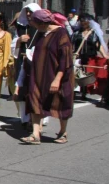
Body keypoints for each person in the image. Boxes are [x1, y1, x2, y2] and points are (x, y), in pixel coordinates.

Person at [20, 10, 74, 145]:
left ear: (42, 23)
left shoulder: (61, 33)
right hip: (38, 75)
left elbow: (65, 58)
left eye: (33, 21)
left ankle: (63, 132)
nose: (31, 24)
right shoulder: (40, 33)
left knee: (60, 102)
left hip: (56, 75)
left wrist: (57, 78)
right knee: (35, 99)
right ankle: (35, 134)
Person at [72, 13, 109, 101]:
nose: (83, 23)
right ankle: (76, 91)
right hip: (78, 57)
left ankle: (84, 92)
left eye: (85, 21)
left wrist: (105, 56)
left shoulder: (93, 34)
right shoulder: (76, 33)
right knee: (76, 75)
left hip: (90, 57)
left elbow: (98, 46)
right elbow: (72, 45)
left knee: (87, 75)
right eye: (81, 21)